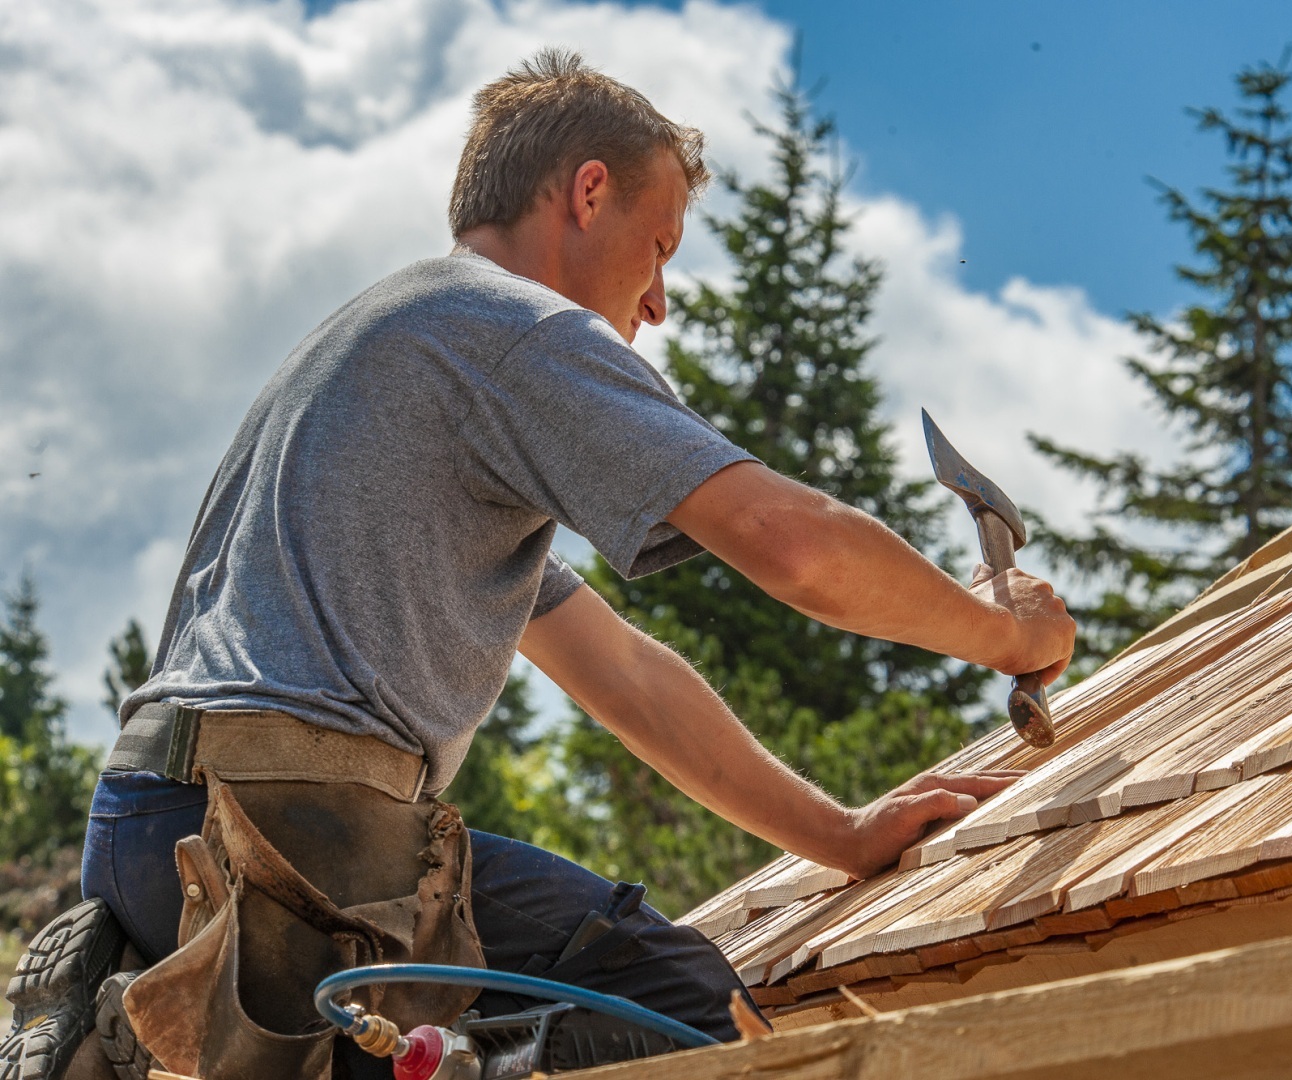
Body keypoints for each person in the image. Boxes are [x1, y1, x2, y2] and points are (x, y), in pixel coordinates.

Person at [3, 49, 1074, 1080]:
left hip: (151, 836)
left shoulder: (391, 349)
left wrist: (839, 834)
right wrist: (1005, 631)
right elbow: (792, 544)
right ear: (588, 192)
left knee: (465, 1047)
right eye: (659, 246)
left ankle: (118, 1028)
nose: (658, 301)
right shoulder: (512, 330)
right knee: (685, 1011)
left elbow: (624, 675)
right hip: (284, 836)